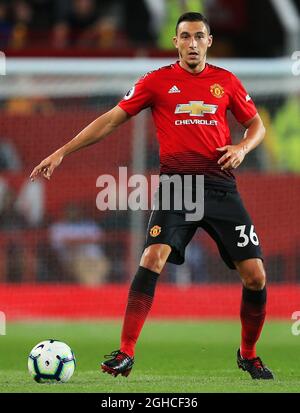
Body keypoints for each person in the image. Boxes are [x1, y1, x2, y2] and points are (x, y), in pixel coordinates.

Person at [30, 12, 274, 380]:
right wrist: (62, 151)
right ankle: (125, 352)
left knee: (255, 277)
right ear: (175, 42)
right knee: (152, 256)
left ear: (209, 41)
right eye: (185, 37)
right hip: (178, 187)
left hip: (221, 187)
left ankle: (249, 354)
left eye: (199, 37)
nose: (192, 43)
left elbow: (257, 124)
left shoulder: (227, 82)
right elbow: (111, 119)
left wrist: (242, 148)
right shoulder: (157, 81)